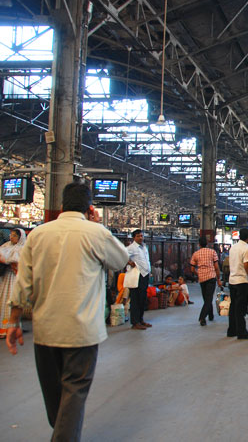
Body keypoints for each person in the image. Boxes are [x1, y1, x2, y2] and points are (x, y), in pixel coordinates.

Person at [5, 181, 129, 441]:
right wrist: (97, 225)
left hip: (45, 328)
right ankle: (64, 434)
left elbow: (23, 282)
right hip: (82, 331)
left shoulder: (38, 234)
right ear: (90, 208)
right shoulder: (95, 233)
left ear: (60, 206)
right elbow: (120, 260)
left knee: (54, 392)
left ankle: (62, 430)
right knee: (74, 390)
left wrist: (14, 322)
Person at [226, 228, 248, 339]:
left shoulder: (233, 248)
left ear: (239, 236)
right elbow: (247, 266)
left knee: (233, 307)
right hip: (242, 281)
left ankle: (231, 330)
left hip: (232, 280)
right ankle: (242, 332)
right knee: (241, 309)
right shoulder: (246, 249)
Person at [190, 237, 222, 326]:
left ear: (199, 244)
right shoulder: (212, 252)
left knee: (206, 298)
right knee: (209, 298)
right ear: (207, 243)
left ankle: (211, 315)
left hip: (202, 278)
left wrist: (198, 273)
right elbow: (216, 267)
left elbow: (192, 269)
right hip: (211, 277)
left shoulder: (195, 254)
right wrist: (219, 279)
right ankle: (202, 317)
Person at [0, 228, 26, 338]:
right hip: (4, 277)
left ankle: (9, 328)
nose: (12, 237)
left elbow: (20, 263)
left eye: (14, 235)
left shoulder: (22, 249)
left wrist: (7, 260)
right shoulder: (6, 245)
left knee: (11, 301)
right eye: (11, 235)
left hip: (14, 278)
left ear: (20, 238)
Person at [126, 229, 152, 330]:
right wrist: (129, 262)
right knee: (136, 299)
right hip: (137, 276)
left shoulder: (144, 247)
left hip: (144, 275)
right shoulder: (131, 248)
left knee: (142, 299)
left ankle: (140, 320)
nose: (141, 238)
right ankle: (135, 322)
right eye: (138, 236)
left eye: (141, 236)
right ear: (134, 238)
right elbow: (122, 254)